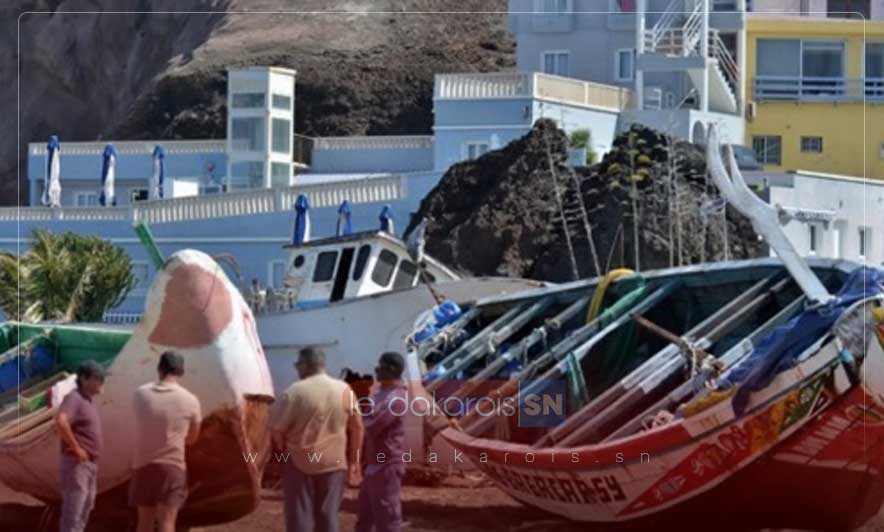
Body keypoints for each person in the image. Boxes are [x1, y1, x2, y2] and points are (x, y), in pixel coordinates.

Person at [272, 347, 364, 532]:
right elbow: (357, 427)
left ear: (305, 365)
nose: (297, 369)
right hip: (335, 462)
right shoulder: (344, 389)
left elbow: (277, 431)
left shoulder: (295, 391)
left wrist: (282, 451)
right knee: (328, 515)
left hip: (300, 461)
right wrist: (355, 461)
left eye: (298, 365)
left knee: (299, 517)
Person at [130, 351, 202, 532]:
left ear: (159, 369)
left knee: (144, 523)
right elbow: (193, 439)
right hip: (172, 467)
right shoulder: (191, 400)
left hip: (143, 465)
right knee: (167, 523)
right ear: (181, 372)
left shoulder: (140, 394)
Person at [355, 352, 409, 532]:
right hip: (373, 464)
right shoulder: (379, 394)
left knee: (387, 517)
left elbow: (372, 425)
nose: (376, 369)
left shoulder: (396, 398)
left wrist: (352, 421)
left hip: (386, 465)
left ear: (391, 370)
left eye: (381, 365)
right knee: (365, 514)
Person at [56, 360, 107, 532]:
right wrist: (76, 448)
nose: (102, 381)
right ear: (84, 379)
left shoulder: (88, 401)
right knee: (74, 511)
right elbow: (61, 422)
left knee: (85, 508)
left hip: (89, 464)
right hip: (77, 464)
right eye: (98, 378)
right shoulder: (74, 398)